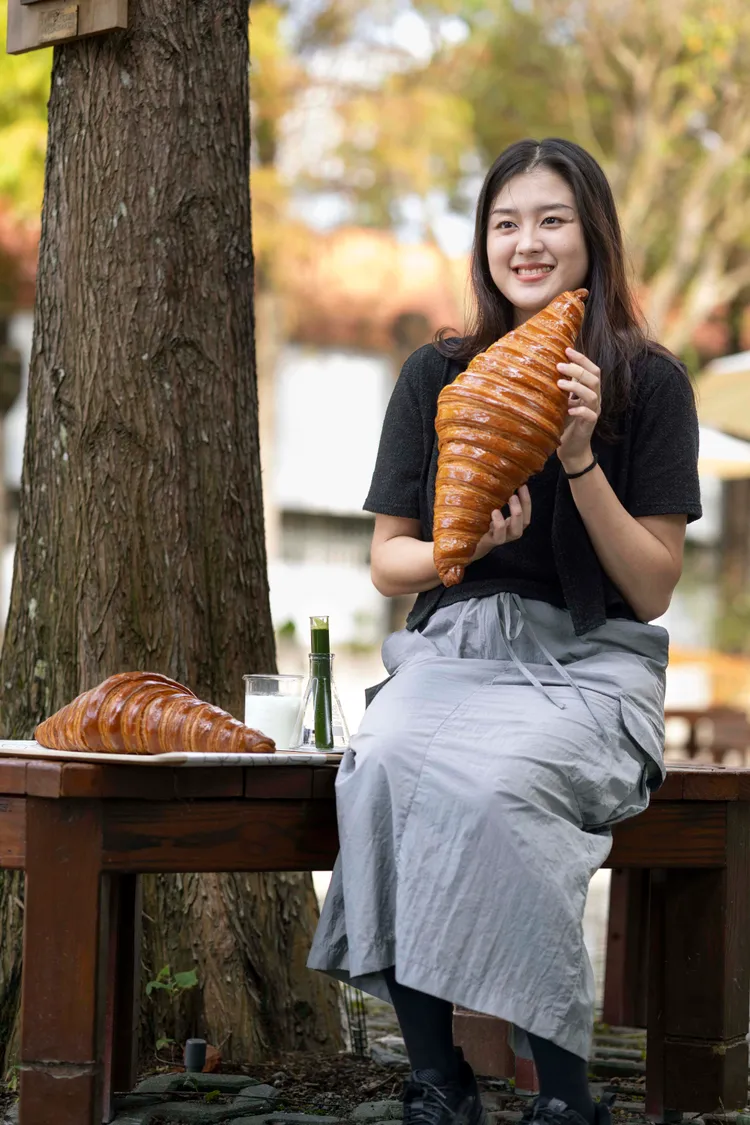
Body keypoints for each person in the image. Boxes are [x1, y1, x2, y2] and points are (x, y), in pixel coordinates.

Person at [307, 137, 702, 1125]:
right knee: (383, 765)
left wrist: (578, 457)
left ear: (592, 234)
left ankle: (564, 1096)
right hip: (454, 651)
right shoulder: (440, 373)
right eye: (505, 223)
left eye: (551, 220)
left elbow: (651, 588)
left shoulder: (647, 384)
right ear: (483, 241)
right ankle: (439, 1081)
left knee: (503, 786)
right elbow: (389, 561)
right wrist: (466, 545)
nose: (526, 243)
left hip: (589, 665)